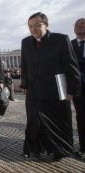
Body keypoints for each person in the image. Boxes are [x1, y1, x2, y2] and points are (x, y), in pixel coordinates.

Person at [20, 12, 80, 160]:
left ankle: (59, 150)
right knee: (33, 121)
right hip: (34, 89)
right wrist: (25, 85)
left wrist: (72, 90)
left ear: (46, 24)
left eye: (37, 25)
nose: (33, 29)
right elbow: (25, 66)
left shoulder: (61, 39)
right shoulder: (26, 42)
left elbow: (71, 66)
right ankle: (33, 148)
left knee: (58, 121)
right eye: (30, 26)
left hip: (56, 89)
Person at [71, 18, 85, 156]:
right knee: (81, 117)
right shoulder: (69, 45)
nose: (79, 26)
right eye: (77, 24)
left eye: (83, 24)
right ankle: (83, 147)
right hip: (78, 88)